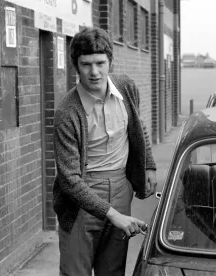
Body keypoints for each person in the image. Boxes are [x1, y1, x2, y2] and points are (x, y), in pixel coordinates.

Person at [53, 26, 157, 276]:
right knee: (74, 272)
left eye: (100, 63)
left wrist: (149, 164)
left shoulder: (126, 87)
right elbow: (69, 180)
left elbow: (137, 125)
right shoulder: (67, 112)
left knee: (113, 271)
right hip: (81, 197)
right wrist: (113, 215)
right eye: (86, 64)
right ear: (76, 66)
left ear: (110, 61)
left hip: (121, 187)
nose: (94, 72)